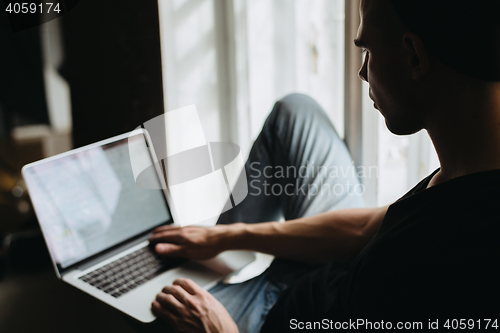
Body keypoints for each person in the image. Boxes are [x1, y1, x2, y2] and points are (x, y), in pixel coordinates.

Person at [147, 0, 500, 331]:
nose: (363, 71)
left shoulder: (427, 267)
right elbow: (366, 229)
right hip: (326, 284)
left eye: (368, 50)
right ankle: (215, 266)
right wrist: (225, 237)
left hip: (274, 317)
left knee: (154, 312)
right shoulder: (469, 163)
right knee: (295, 111)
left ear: (413, 57)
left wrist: (217, 328)